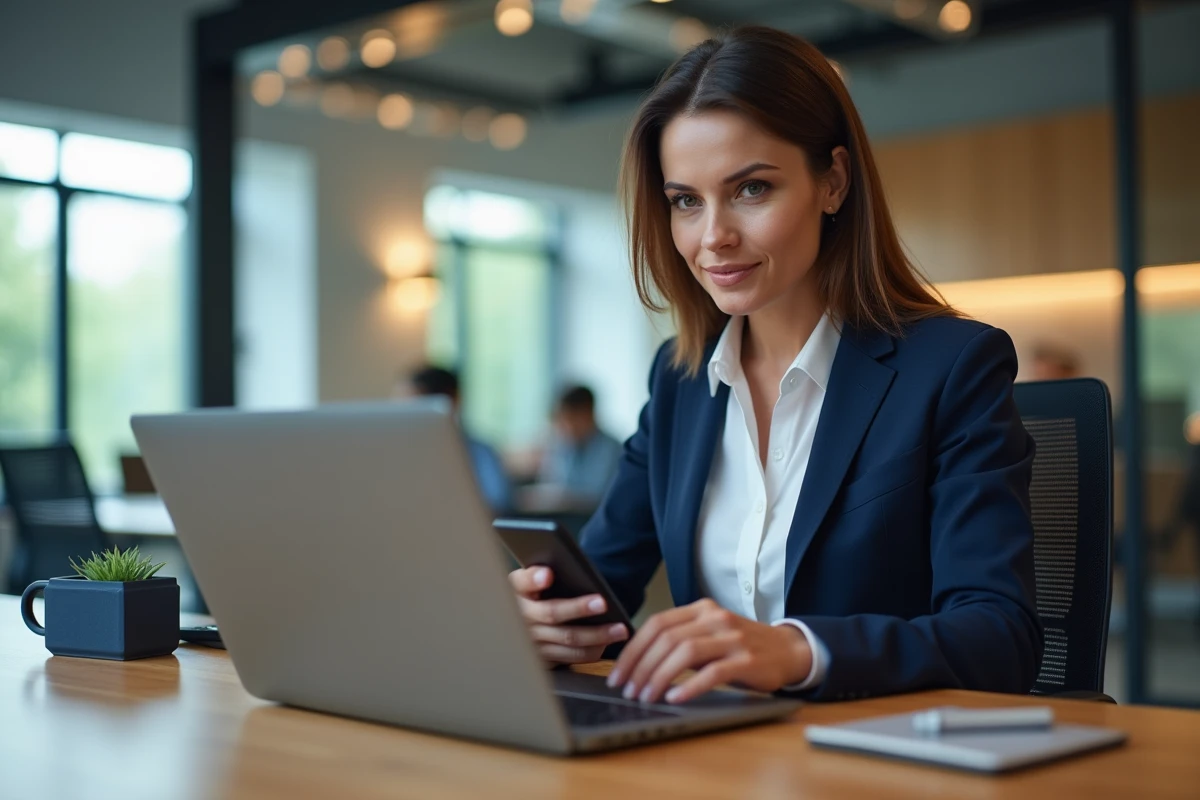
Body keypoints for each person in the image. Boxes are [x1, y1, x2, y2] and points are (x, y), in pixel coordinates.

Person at [508, 26, 1041, 705]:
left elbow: (1000, 638)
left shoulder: (953, 367)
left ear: (834, 182)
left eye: (752, 189)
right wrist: (541, 620)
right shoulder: (680, 382)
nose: (712, 237)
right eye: (685, 202)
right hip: (717, 753)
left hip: (871, 758)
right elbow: (600, 597)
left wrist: (795, 650)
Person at [402, 365, 513, 512]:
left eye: (412, 403)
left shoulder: (479, 452)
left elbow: (499, 501)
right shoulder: (402, 455)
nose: (404, 412)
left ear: (451, 400)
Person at [537, 385, 624, 504]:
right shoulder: (563, 446)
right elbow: (553, 483)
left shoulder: (612, 450)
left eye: (568, 419)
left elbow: (596, 495)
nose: (563, 427)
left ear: (586, 415)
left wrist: (562, 496)